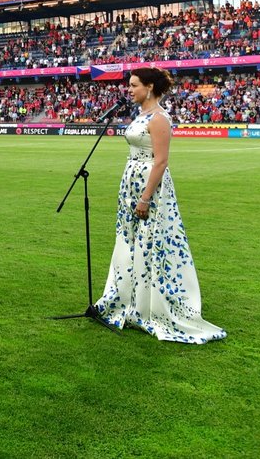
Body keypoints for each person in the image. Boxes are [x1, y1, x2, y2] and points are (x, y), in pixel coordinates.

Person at [94, 68, 226, 344]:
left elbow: (161, 161)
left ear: (149, 87)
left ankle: (149, 307)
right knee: (130, 242)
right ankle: (128, 299)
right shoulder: (141, 115)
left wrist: (145, 197)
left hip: (149, 187)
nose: (129, 90)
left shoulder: (159, 118)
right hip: (131, 182)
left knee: (150, 242)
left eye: (134, 85)